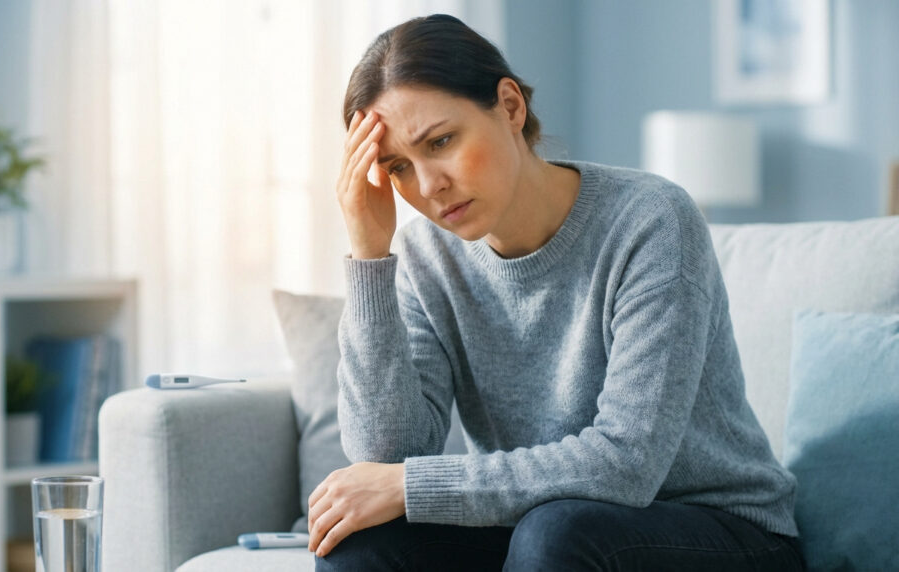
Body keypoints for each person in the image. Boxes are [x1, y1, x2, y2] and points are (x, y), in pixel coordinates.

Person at [306, 13, 805, 571]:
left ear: (510, 107)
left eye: (441, 141)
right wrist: (370, 255)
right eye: (398, 167)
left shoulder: (651, 221)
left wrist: (411, 486)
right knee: (360, 544)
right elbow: (387, 458)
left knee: (557, 531)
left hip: (722, 530)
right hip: (542, 527)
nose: (428, 186)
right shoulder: (429, 256)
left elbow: (626, 463)